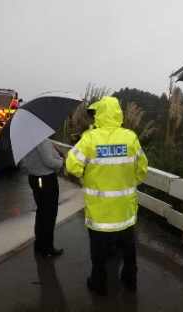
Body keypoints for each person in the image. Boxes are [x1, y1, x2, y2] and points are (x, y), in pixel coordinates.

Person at [65, 96, 148, 296]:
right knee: (128, 247)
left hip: (99, 210)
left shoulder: (90, 138)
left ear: (99, 113)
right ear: (118, 112)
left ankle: (99, 284)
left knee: (98, 249)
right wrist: (128, 179)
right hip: (124, 209)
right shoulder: (130, 137)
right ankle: (130, 282)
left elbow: (72, 167)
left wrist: (88, 173)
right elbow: (142, 169)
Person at [23, 138, 65, 258]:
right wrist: (63, 163)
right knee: (49, 214)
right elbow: (49, 162)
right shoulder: (41, 141)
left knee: (41, 213)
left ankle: (39, 245)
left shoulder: (28, 140)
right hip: (45, 180)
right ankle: (47, 249)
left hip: (35, 178)